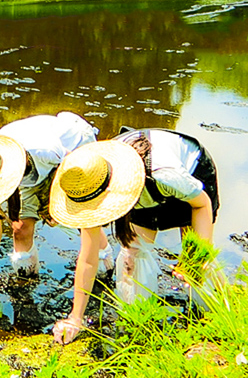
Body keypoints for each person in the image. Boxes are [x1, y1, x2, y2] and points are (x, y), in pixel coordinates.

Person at [48, 128, 219, 345]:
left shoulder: (166, 175)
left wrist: (194, 258)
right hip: (142, 187)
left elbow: (201, 205)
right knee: (132, 258)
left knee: (195, 268)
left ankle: (212, 316)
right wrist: (76, 317)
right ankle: (137, 321)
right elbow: (88, 259)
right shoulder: (87, 184)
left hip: (190, 180)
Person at [0, 113, 102, 300]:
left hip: (73, 151)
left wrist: (52, 203)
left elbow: (72, 165)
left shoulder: (44, 150)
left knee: (82, 219)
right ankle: (27, 283)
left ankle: (101, 267)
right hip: (28, 169)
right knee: (19, 228)